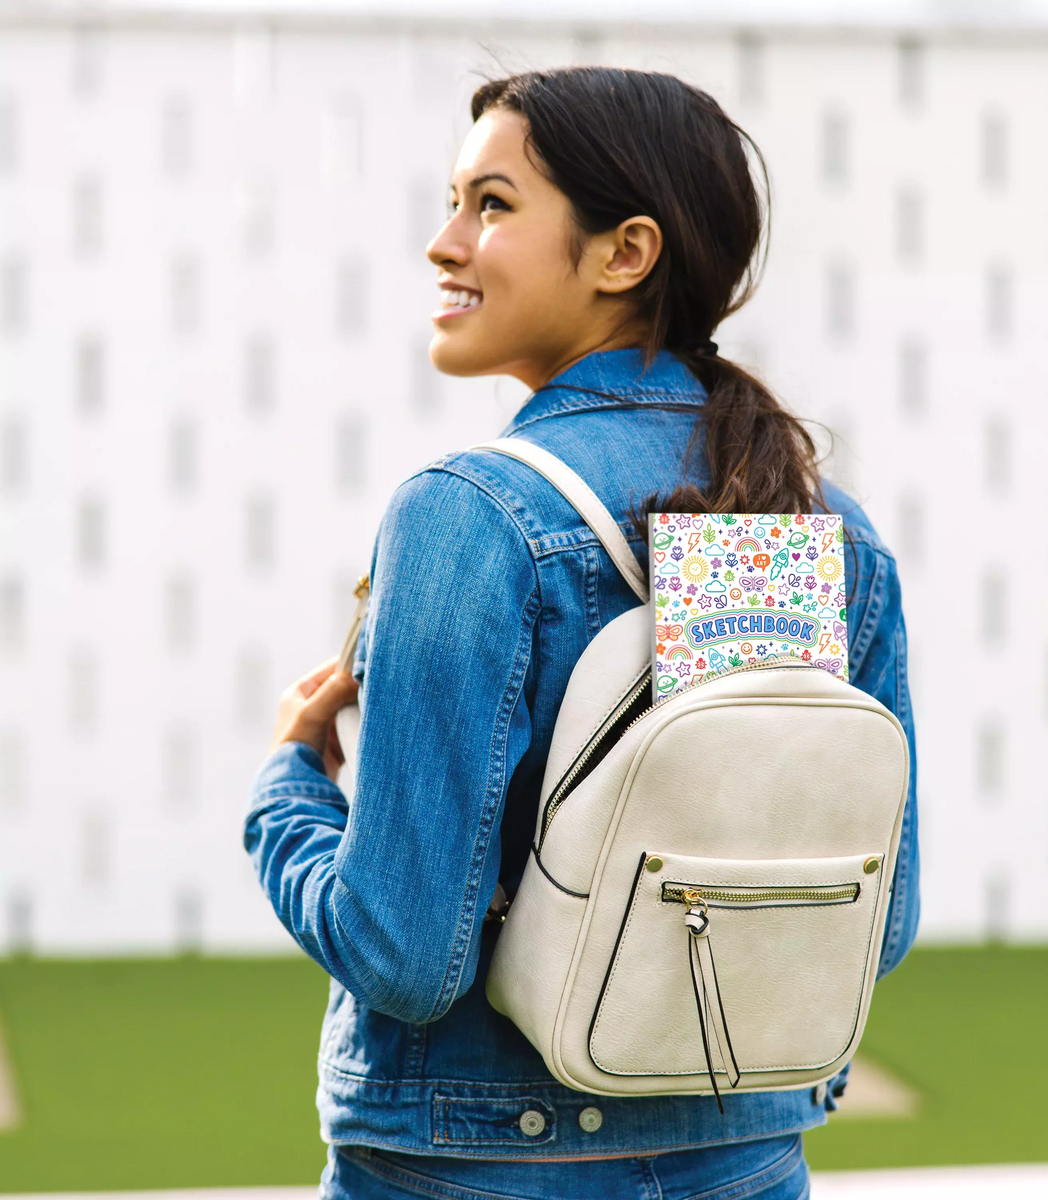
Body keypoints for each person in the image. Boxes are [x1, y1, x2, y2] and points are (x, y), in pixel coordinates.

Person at [245, 67, 919, 1200]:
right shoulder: (809, 527)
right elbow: (875, 923)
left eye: (492, 204)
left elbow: (406, 957)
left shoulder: (472, 513)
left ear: (626, 253)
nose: (443, 242)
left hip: (470, 1164)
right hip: (742, 1158)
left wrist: (289, 790)